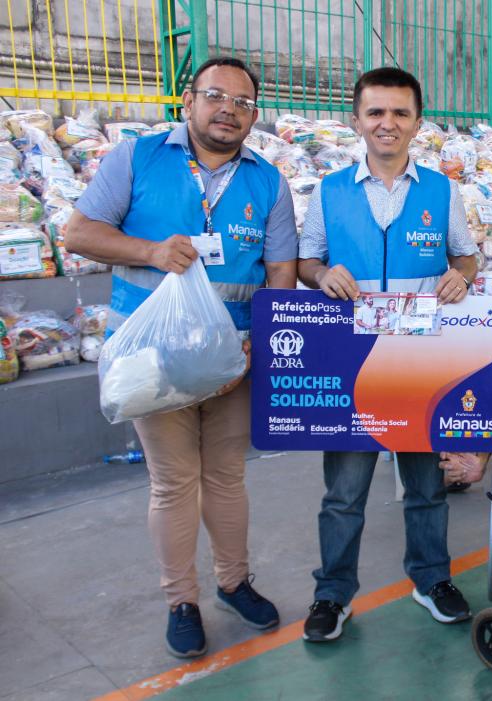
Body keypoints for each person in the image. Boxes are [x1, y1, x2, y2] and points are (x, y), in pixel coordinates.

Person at [64, 57, 298, 658]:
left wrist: (262, 342)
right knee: (173, 484)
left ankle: (233, 582)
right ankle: (181, 602)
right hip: (152, 359)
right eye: (216, 96)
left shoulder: (267, 182)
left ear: (253, 116)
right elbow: (79, 233)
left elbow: (280, 271)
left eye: (243, 103)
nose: (229, 110)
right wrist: (148, 251)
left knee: (226, 477)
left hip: (233, 362)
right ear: (189, 100)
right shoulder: (137, 158)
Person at [296, 66, 479, 642]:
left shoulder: (440, 190)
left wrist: (461, 277)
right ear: (356, 120)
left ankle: (432, 579)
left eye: (400, 112)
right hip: (352, 359)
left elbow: (465, 256)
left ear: (418, 122)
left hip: (419, 358)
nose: (387, 123)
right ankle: (332, 593)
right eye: (375, 111)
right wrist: (320, 275)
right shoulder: (330, 190)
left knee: (425, 484)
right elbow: (306, 260)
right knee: (344, 490)